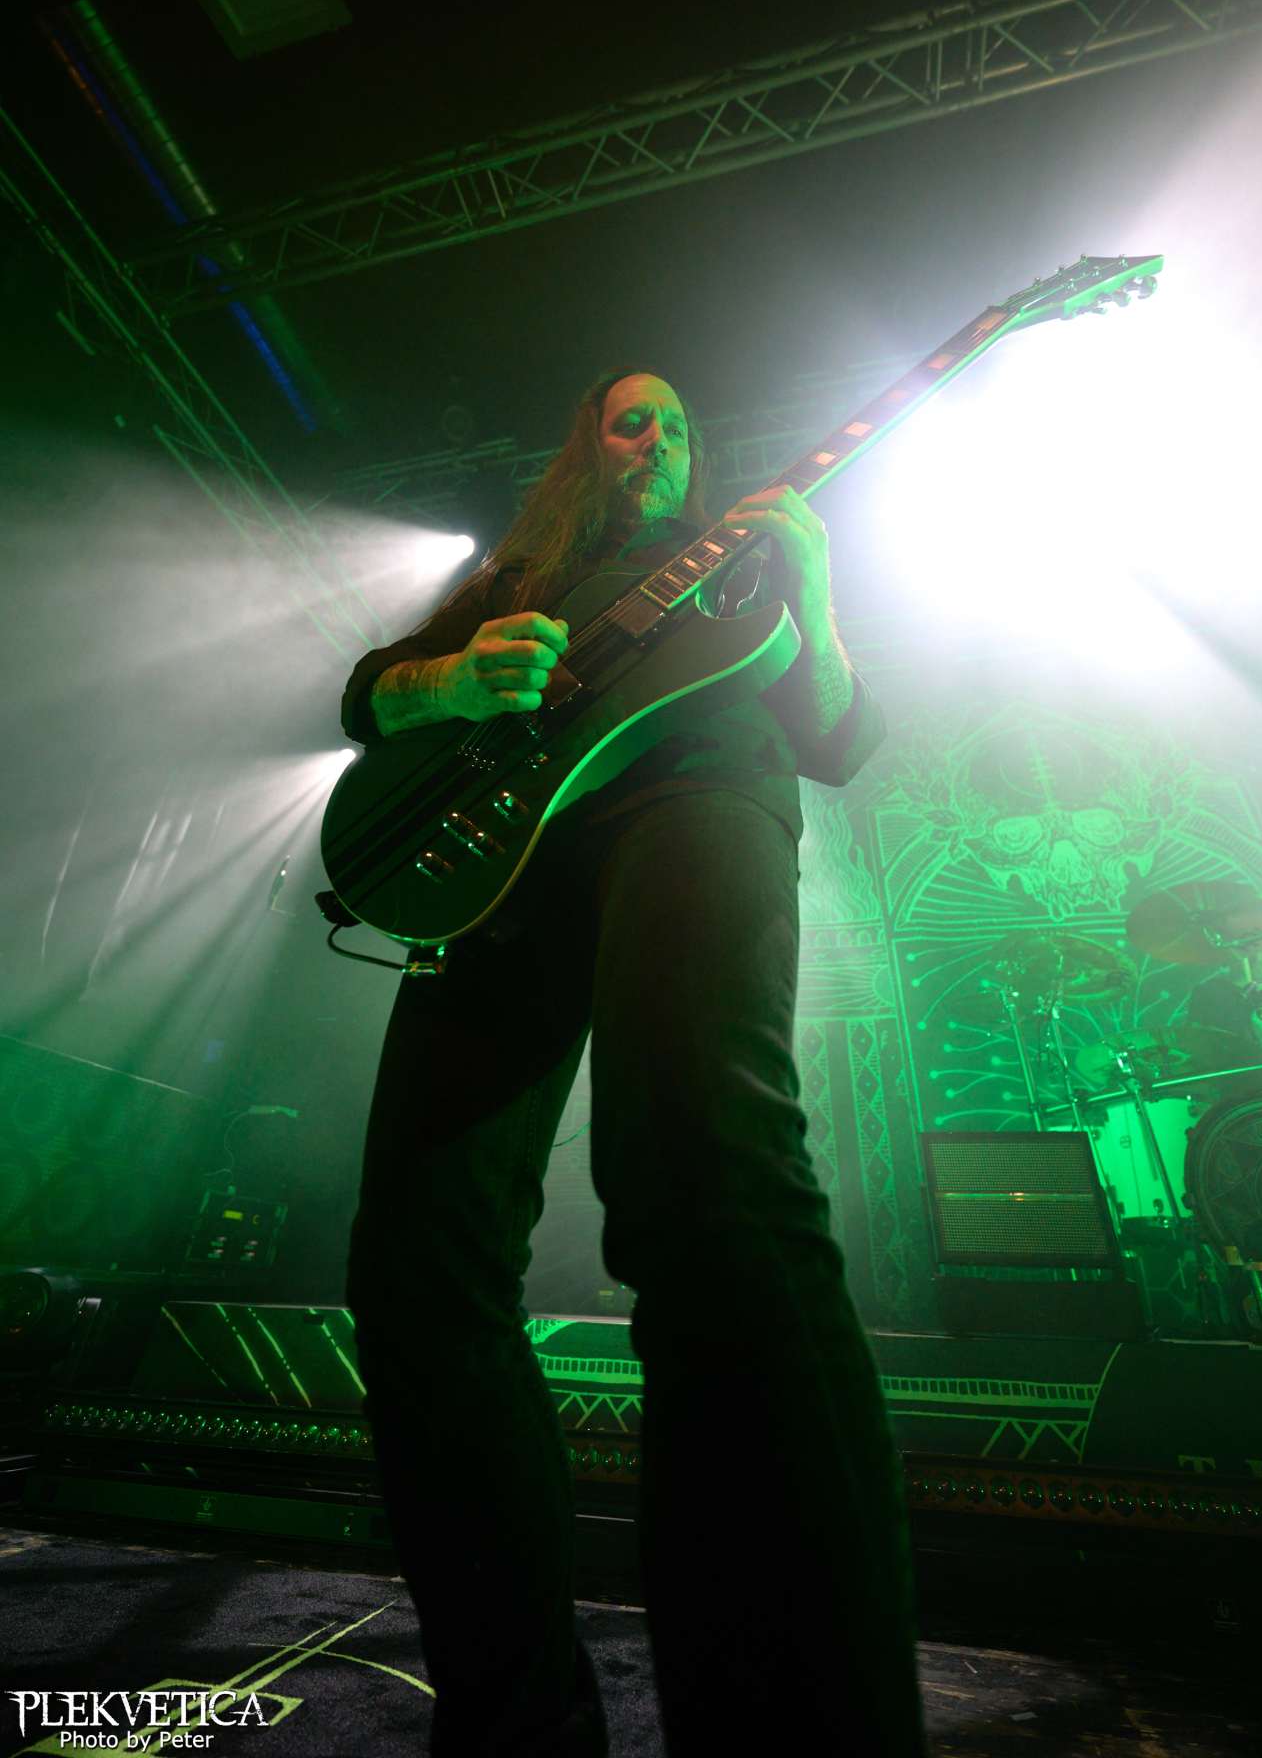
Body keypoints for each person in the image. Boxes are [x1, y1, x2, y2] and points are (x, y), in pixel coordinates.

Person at [341, 368, 925, 1756]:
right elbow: (368, 697)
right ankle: (515, 1723)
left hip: (698, 789)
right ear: (586, 448)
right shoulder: (517, 579)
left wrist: (815, 594)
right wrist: (451, 679)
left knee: (704, 1176)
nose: (655, 436)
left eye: (676, 423)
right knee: (415, 1266)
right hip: (514, 851)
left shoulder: (746, 562)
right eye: (628, 418)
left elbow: (839, 735)